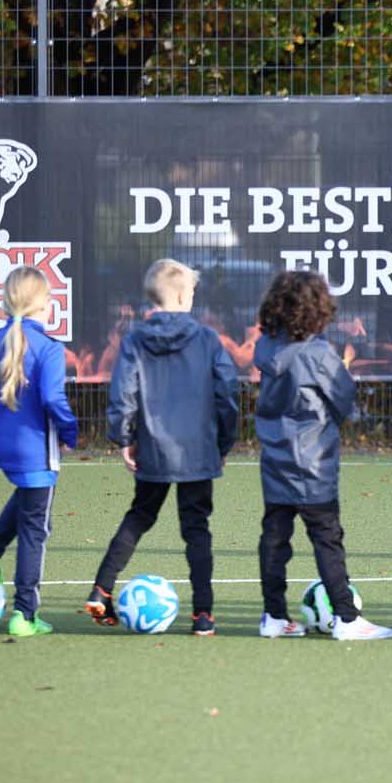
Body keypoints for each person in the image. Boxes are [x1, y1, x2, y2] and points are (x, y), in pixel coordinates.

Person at [84, 259, 239, 636]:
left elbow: (123, 392)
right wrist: (224, 441)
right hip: (198, 451)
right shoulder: (207, 339)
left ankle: (101, 589)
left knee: (139, 516)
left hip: (152, 447)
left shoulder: (135, 340)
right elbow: (227, 394)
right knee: (197, 529)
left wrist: (123, 437)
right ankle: (203, 615)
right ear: (186, 296)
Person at [253, 270, 392, 640]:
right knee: (327, 538)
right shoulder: (318, 354)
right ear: (317, 310)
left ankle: (273, 616)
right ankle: (347, 619)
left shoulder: (266, 348)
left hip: (275, 458)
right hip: (313, 463)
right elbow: (344, 398)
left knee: (274, 538)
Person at [0, 266, 79, 638]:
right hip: (36, 450)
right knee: (35, 528)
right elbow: (52, 399)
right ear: (44, 305)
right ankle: (25, 614)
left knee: (28, 502)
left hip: (4, 446)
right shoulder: (49, 348)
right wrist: (72, 432)